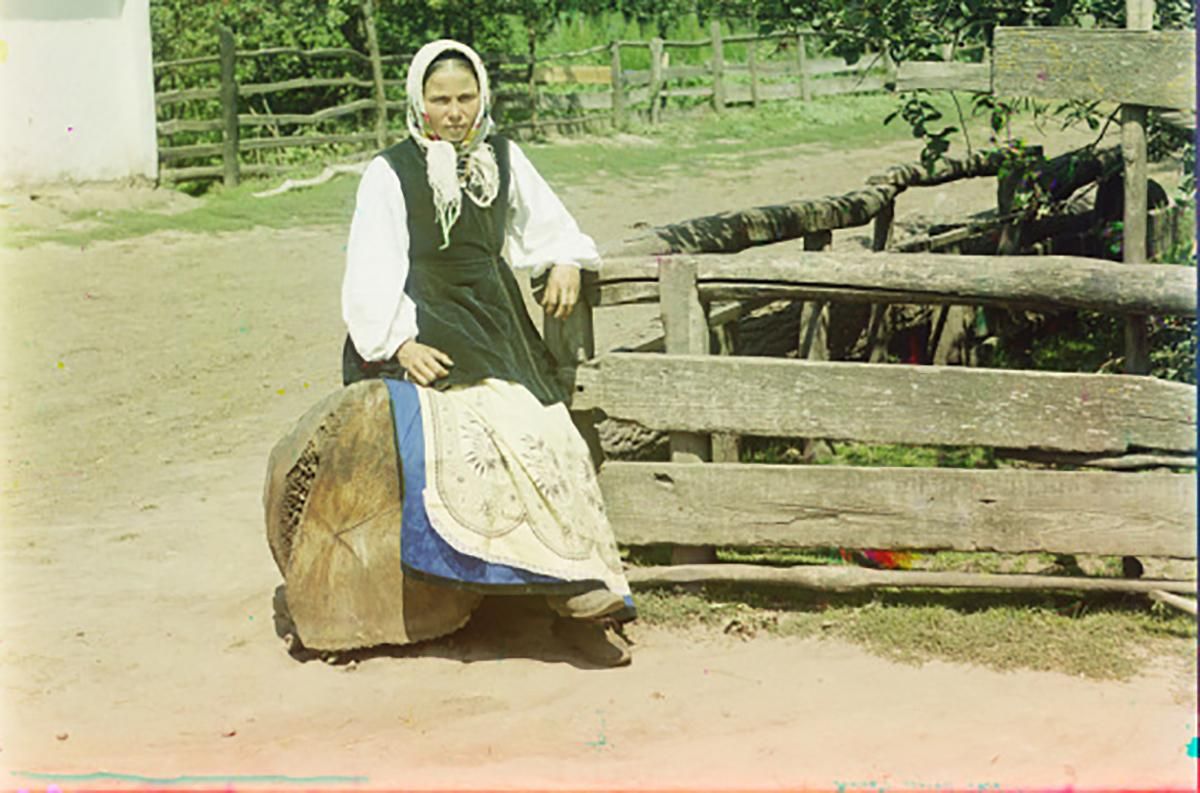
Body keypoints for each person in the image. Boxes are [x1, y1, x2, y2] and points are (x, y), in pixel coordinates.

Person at [340, 39, 634, 666]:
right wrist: (400, 342)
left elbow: (549, 223)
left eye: (465, 98)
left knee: (550, 431)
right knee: (489, 432)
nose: (453, 112)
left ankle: (579, 589)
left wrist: (563, 261)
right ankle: (544, 587)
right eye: (440, 99)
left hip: (493, 317)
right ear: (418, 100)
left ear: (483, 99)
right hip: (425, 317)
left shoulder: (502, 156)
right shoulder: (389, 172)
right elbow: (370, 271)